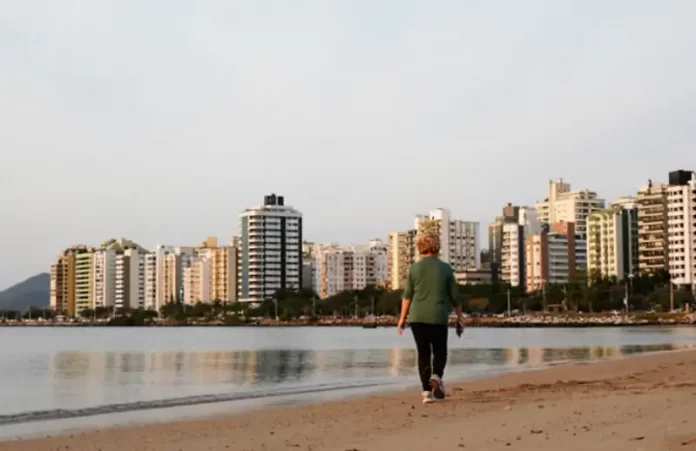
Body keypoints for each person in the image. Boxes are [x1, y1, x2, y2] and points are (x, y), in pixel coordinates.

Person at [397, 229, 463, 404]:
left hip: (417, 318)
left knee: (423, 353)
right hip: (438, 316)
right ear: (437, 246)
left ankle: (426, 392)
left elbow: (407, 296)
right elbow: (455, 297)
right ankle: (436, 376)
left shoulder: (414, 269)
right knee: (440, 351)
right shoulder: (446, 268)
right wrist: (459, 317)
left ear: (420, 247)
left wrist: (402, 319)